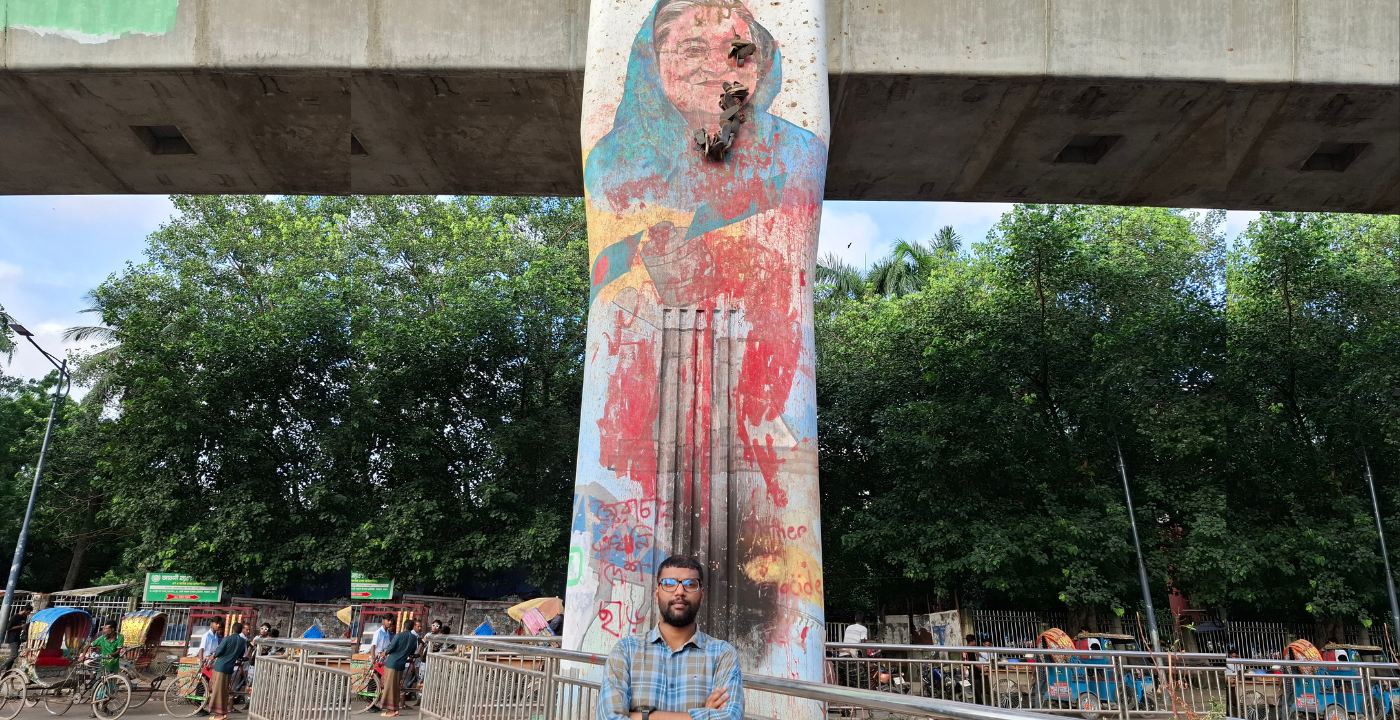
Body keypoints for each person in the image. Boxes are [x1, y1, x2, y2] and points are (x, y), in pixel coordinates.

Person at [597, 555, 743, 720]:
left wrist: (641, 717)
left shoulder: (723, 654)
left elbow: (730, 717)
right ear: (657, 594)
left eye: (690, 584)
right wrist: (699, 716)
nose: (679, 591)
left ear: (702, 595)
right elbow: (608, 717)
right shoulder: (626, 651)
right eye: (669, 583)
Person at [379, 619, 418, 718]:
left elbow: (391, 648)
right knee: (396, 687)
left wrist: (385, 653)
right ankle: (395, 709)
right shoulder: (414, 638)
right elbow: (412, 652)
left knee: (389, 687)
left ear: (404, 627)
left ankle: (391, 710)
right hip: (401, 665)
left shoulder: (399, 635)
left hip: (392, 663)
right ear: (412, 627)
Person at [208, 622, 247, 720]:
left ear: (232, 630)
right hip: (229, 669)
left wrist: (213, 656)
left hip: (220, 667)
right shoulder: (242, 641)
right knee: (224, 691)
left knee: (218, 690)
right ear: (241, 631)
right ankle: (223, 713)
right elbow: (240, 655)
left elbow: (219, 651)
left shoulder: (227, 638)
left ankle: (220, 714)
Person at [2, 605, 30, 672]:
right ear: (25, 610)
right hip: (12, 638)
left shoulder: (23, 617)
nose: (28, 613)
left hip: (18, 638)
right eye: (28, 612)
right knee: (14, 655)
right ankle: (2, 667)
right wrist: (20, 626)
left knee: (13, 655)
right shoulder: (15, 617)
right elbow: (8, 628)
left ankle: (8, 669)